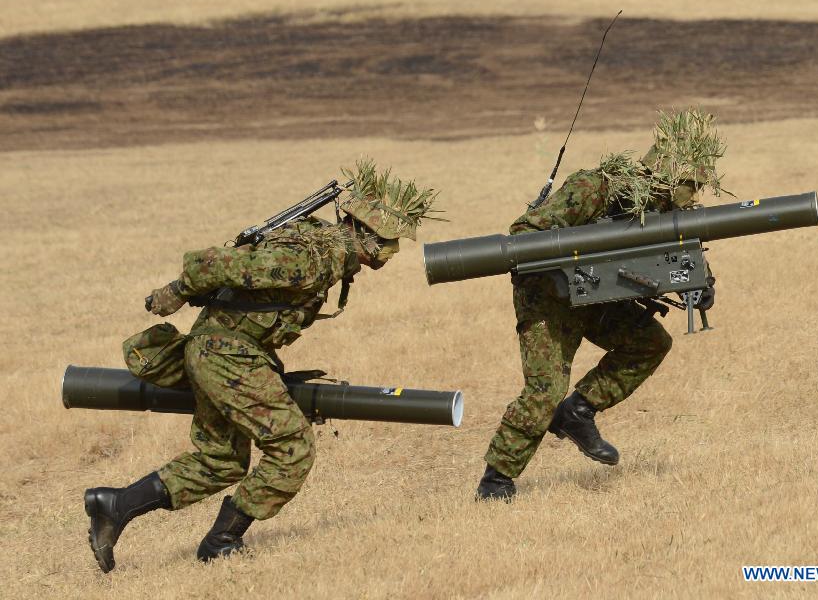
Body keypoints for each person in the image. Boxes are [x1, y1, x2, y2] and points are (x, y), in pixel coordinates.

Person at [84, 160, 440, 572]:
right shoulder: (310, 260)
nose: (391, 253)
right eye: (388, 241)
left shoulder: (323, 252)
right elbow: (210, 264)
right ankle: (221, 540)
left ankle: (116, 505)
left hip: (224, 353)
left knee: (222, 460)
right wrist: (177, 291)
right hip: (225, 356)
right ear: (365, 231)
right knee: (293, 447)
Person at [476, 109, 726, 500]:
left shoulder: (665, 209)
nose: (693, 195)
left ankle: (578, 411)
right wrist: (584, 254)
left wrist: (700, 282)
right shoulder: (596, 187)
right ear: (667, 176)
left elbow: (679, 248)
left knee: (649, 343)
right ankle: (496, 481)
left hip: (597, 297)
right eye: (690, 185)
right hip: (550, 298)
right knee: (544, 391)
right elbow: (524, 233)